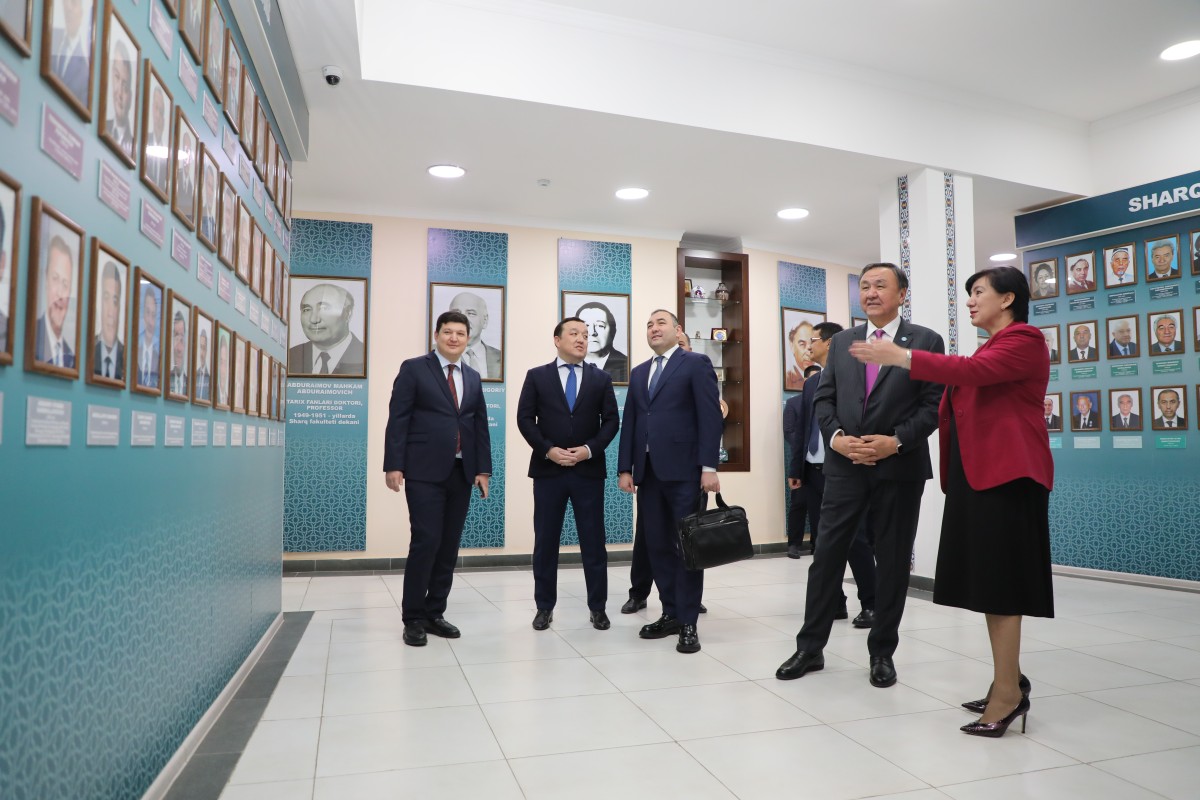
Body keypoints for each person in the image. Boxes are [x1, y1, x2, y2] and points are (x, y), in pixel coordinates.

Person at [848, 265, 1053, 737]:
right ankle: (1007, 680)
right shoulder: (993, 345)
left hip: (1008, 478)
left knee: (1003, 589)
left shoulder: (1025, 339)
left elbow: (972, 374)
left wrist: (902, 358)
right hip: (980, 479)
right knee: (991, 587)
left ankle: (1008, 695)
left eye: (978, 292)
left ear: (1008, 298)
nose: (970, 301)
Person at [775, 263, 943, 688]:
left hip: (899, 467)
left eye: (880, 285)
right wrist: (836, 439)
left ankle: (882, 652)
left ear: (901, 294)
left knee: (892, 560)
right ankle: (810, 648)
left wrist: (895, 441)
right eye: (865, 286)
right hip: (844, 467)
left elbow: (933, 405)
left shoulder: (925, 341)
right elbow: (824, 398)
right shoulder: (844, 342)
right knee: (827, 556)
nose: (870, 292)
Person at [617, 309, 722, 654]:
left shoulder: (695, 363)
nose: (653, 328)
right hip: (648, 473)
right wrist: (625, 468)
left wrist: (709, 466)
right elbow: (632, 422)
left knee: (687, 548)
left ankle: (689, 621)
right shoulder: (639, 372)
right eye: (649, 324)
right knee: (657, 546)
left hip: (685, 472)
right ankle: (671, 613)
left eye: (661, 322)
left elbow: (710, 417)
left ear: (678, 331)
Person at [384, 311, 491, 646]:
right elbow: (398, 418)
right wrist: (394, 464)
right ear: (436, 335)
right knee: (426, 541)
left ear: (468, 338)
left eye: (460, 333)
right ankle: (413, 617)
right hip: (423, 471)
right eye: (448, 332)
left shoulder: (473, 376)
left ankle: (435, 612)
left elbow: (479, 424)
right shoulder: (415, 368)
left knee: (448, 546)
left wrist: (483, 470)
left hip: (461, 471)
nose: (454, 338)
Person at [516, 317, 619, 631]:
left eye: (585, 335)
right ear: (557, 340)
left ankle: (598, 608)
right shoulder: (537, 376)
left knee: (593, 543)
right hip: (548, 471)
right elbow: (525, 419)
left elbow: (611, 422)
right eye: (574, 333)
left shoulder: (601, 379)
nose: (581, 339)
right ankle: (544, 607)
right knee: (546, 542)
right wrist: (548, 449)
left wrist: (589, 449)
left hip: (588, 472)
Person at [789, 321, 877, 626]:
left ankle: (872, 604)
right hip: (814, 471)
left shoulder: (856, 376)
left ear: (829, 343)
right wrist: (796, 469)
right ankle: (835, 602)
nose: (808, 346)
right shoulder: (812, 383)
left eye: (813, 339)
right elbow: (803, 429)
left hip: (845, 470)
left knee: (856, 540)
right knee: (822, 541)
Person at [287, 283, 365, 375]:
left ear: (347, 314)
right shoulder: (290, 356)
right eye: (307, 309)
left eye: (324, 308)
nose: (313, 319)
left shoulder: (367, 357)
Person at [35, 235, 76, 368]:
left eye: (65, 284)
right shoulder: (31, 339)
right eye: (55, 278)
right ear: (46, 280)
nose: (60, 293)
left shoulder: (72, 358)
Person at [449, 291, 501, 379]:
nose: (463, 319)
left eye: (471, 313)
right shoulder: (436, 353)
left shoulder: (501, 357)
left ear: (485, 321)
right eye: (456, 313)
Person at [49, 0, 92, 107]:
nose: (68, 8)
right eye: (66, 2)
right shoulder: (50, 38)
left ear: (81, 13)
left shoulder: (85, 71)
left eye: (73, 3)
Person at [577, 300, 628, 383]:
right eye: (586, 325)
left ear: (613, 331)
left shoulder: (626, 365)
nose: (592, 332)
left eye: (600, 325)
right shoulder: (568, 364)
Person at [92, 260, 124, 380]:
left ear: (120, 308)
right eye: (106, 298)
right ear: (100, 302)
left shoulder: (127, 358)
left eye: (115, 301)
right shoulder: (88, 349)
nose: (110, 313)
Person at [104, 40, 135, 159]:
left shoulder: (133, 147)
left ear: (130, 98)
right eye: (116, 77)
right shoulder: (104, 126)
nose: (119, 92)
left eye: (125, 86)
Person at [144, 83, 170, 192]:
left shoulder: (166, 158)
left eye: (161, 111)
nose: (158, 116)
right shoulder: (143, 141)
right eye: (156, 108)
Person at [138, 286, 160, 387]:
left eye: (154, 315)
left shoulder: (159, 358)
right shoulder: (134, 351)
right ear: (143, 315)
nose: (150, 322)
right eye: (148, 313)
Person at [784, 320, 816, 390]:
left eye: (812, 344)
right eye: (802, 344)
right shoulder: (788, 378)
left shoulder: (821, 379)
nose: (808, 353)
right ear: (792, 346)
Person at [168, 310, 189, 396]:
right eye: (176, 337)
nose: (179, 348)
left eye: (182, 339)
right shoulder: (164, 380)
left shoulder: (190, 385)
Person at [199, 162, 218, 244]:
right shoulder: (198, 214)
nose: (210, 193)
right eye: (209, 186)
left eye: (212, 188)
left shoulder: (215, 225)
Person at [194, 328, 211, 401]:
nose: (201, 353)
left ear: (206, 350)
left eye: (203, 348)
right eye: (200, 347)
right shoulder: (194, 375)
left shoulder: (210, 378)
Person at [216, 331, 230, 406]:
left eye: (225, 363)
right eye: (221, 362)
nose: (223, 370)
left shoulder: (228, 399)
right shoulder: (212, 395)